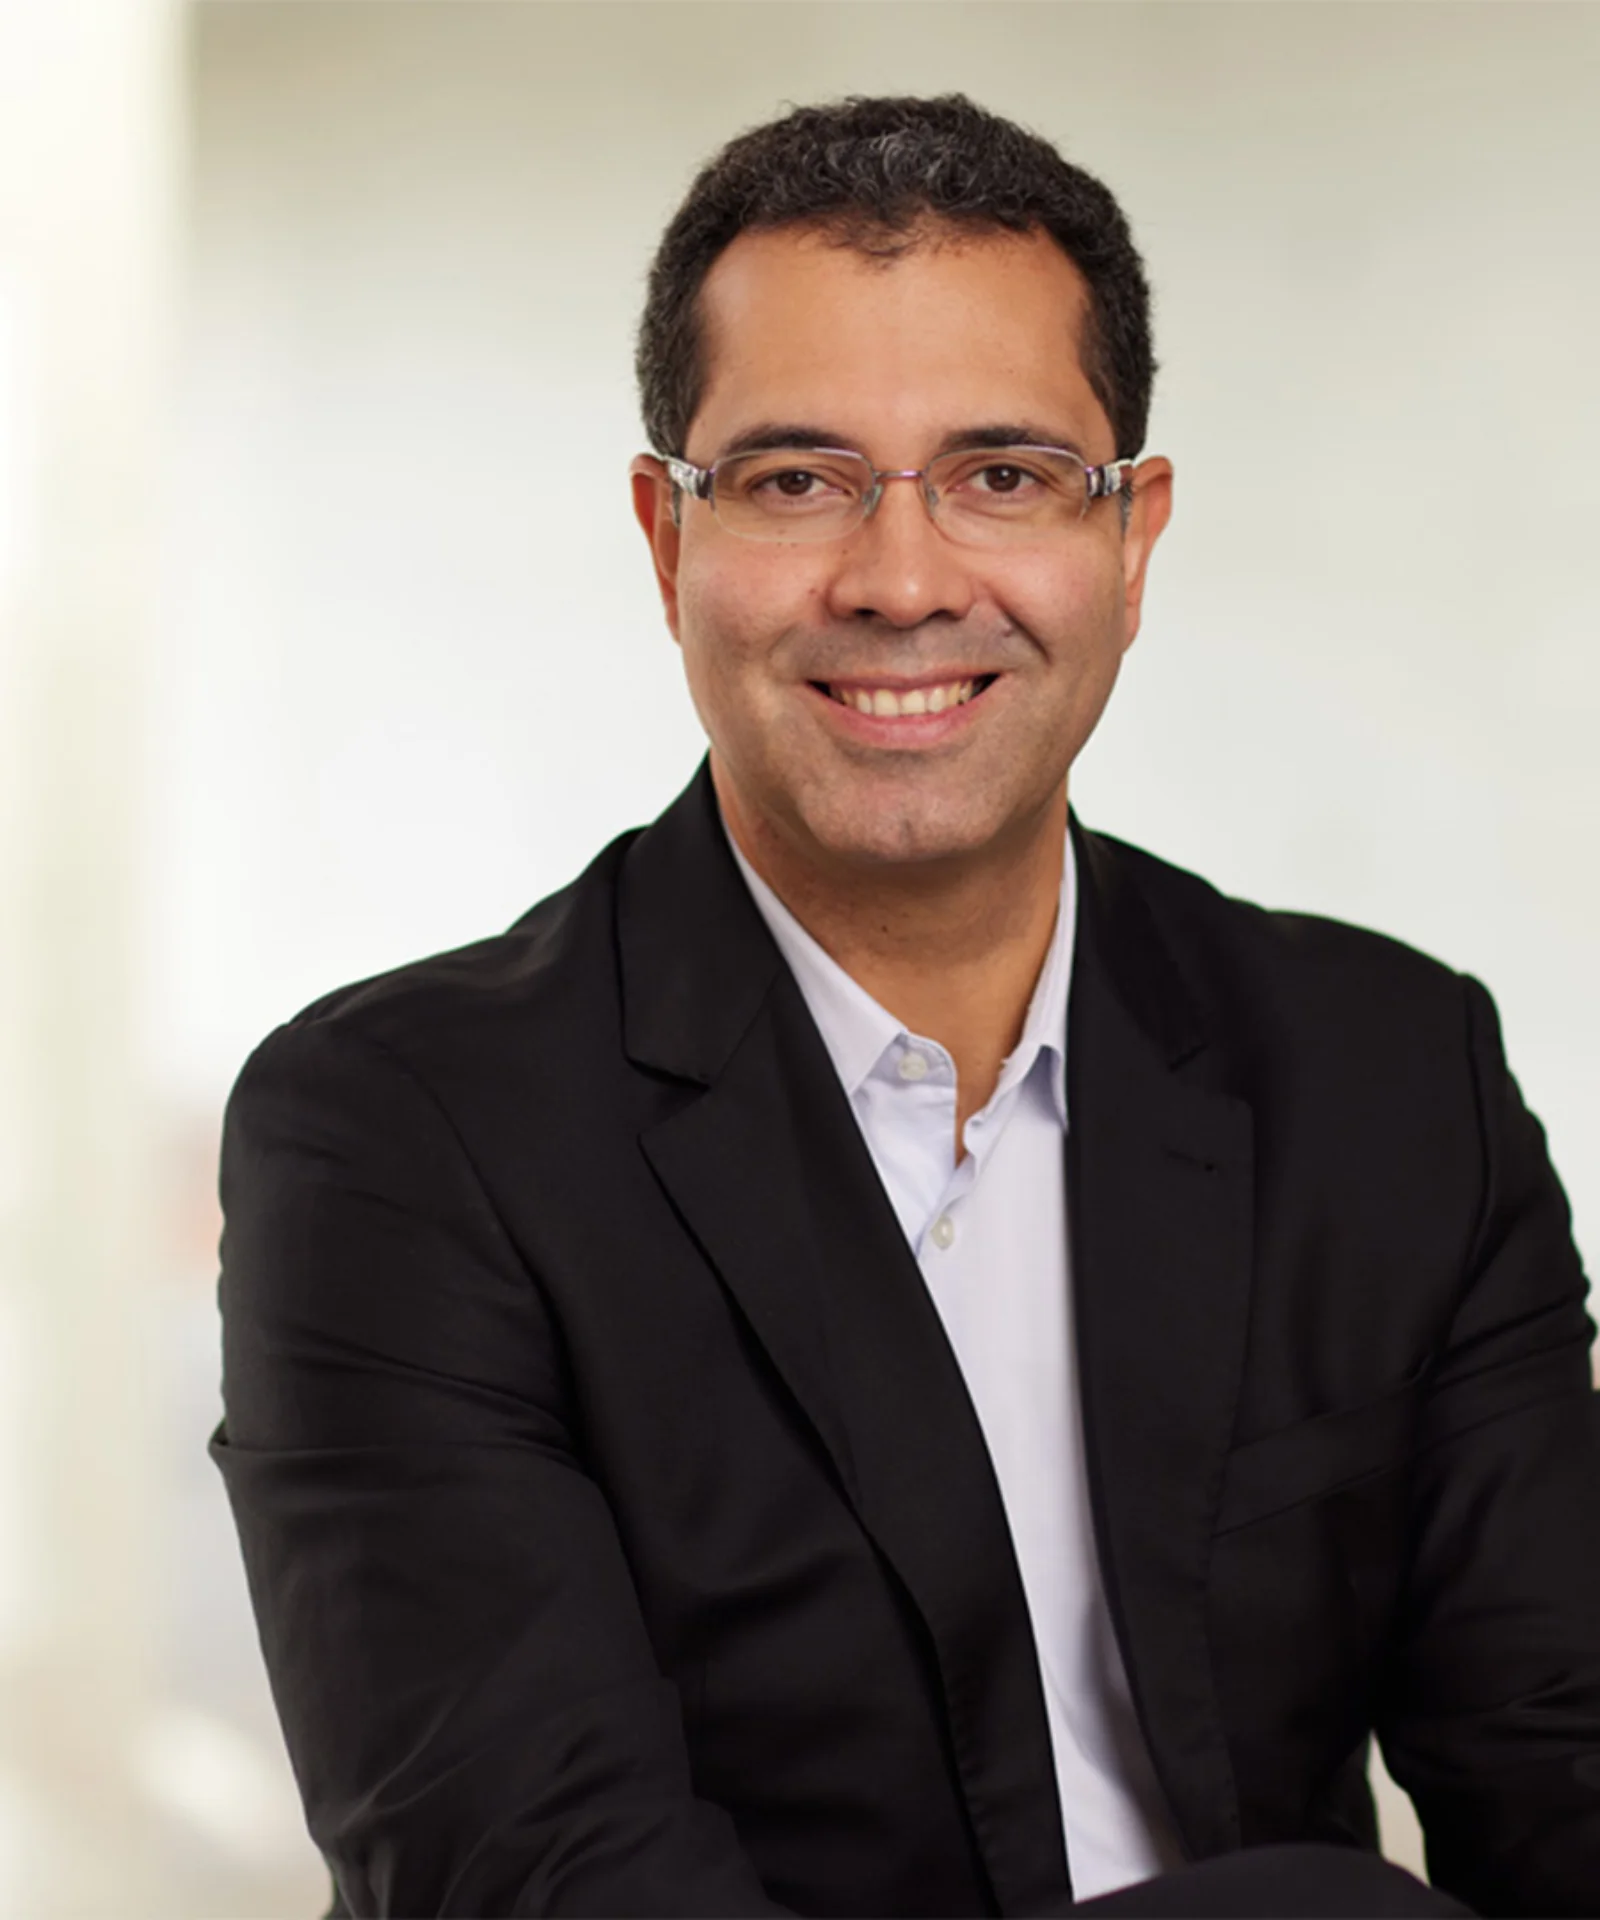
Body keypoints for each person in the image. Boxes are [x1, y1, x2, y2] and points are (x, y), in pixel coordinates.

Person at [212, 95, 1600, 1917]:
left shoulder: (1389, 1073)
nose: (902, 581)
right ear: (668, 542)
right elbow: (540, 1876)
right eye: (797, 481)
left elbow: (1565, 1767)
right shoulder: (401, 1136)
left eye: (1002, 476)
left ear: (1130, 540)